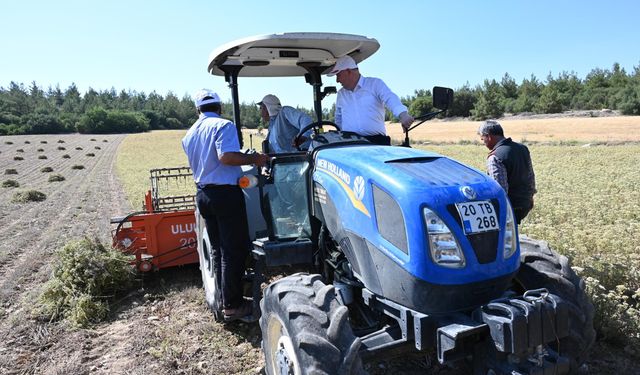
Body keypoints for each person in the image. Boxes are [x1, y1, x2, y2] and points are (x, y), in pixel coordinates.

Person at [182, 89, 269, 322]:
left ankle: (223, 302)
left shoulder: (189, 134)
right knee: (235, 250)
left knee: (218, 250)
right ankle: (233, 305)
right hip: (225, 194)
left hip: (204, 195)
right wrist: (256, 159)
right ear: (219, 107)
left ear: (197, 109)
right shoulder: (223, 125)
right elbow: (226, 157)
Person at [327, 55, 414, 145]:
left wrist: (403, 115)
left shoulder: (375, 84)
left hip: (376, 143)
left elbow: (390, 98)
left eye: (338, 75)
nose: (337, 80)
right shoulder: (341, 94)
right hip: (350, 144)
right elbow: (339, 120)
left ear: (348, 71)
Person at [478, 120, 536, 224]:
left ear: (489, 136)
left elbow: (500, 191)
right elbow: (531, 178)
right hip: (525, 203)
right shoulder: (522, 148)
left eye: (483, 139)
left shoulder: (495, 157)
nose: (484, 142)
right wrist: (529, 198)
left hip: (511, 207)